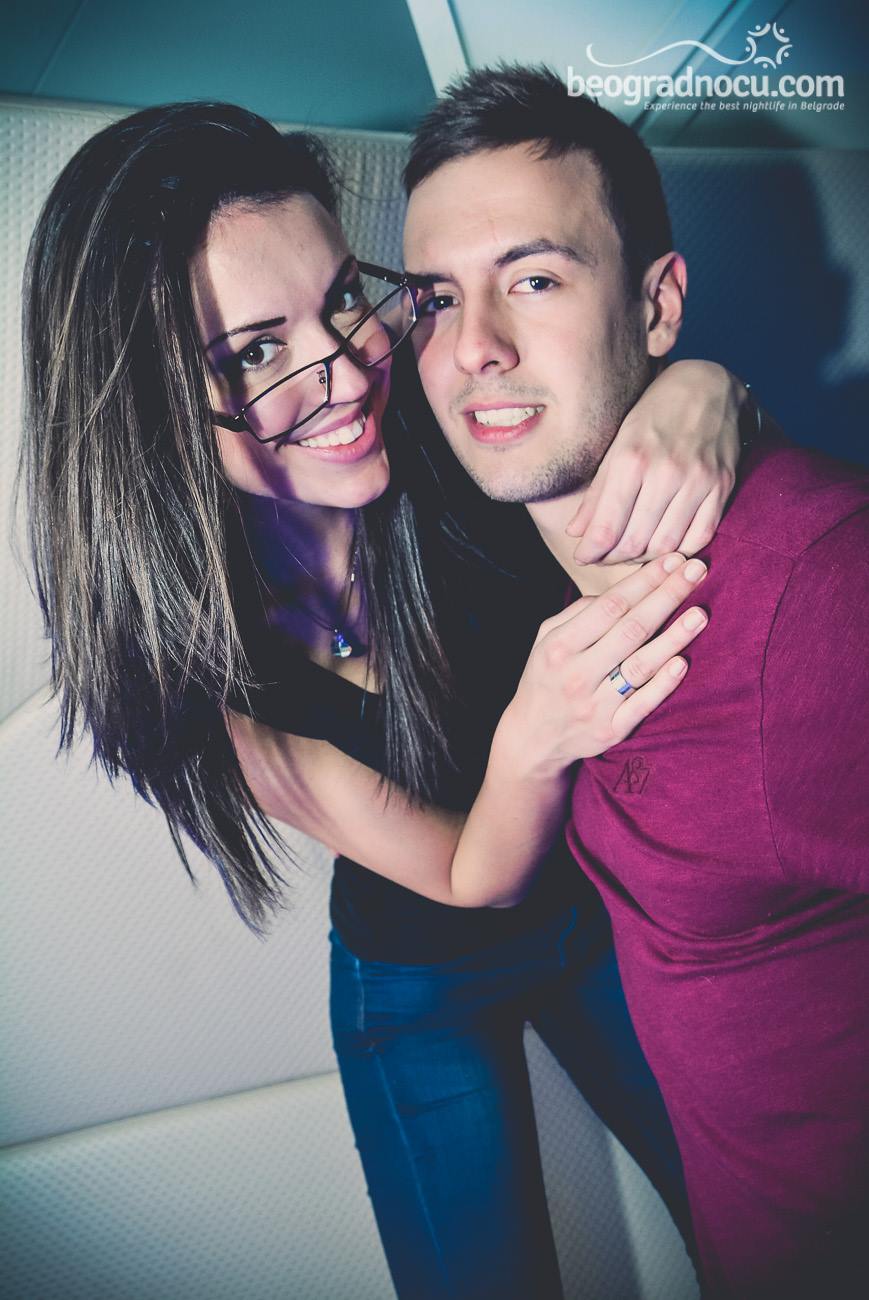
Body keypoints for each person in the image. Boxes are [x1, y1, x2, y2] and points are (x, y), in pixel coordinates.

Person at [21, 102, 747, 1300]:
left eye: (342, 301)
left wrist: (705, 391)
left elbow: (616, 384)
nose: (347, 367)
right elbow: (470, 871)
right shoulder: (193, 665)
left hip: (595, 907)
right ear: (150, 400)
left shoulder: (446, 410)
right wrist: (536, 731)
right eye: (254, 353)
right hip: (417, 981)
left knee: (753, 1214)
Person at [403, 64, 869, 1299]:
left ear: (658, 306)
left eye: (534, 279)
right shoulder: (508, 551)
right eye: (436, 298)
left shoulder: (824, 601)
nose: (474, 346)